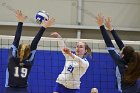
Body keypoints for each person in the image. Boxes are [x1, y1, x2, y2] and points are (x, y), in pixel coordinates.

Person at [4, 10, 55, 93]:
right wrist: (44, 27)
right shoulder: (29, 61)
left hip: (10, 89)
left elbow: (16, 40)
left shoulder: (12, 59)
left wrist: (20, 21)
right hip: (23, 90)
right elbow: (34, 43)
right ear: (28, 53)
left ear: (17, 50)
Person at [96, 14, 140, 93]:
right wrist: (111, 29)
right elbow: (121, 45)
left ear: (123, 55)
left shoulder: (120, 62)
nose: (120, 52)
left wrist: (101, 26)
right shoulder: (132, 59)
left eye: (121, 52)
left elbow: (109, 43)